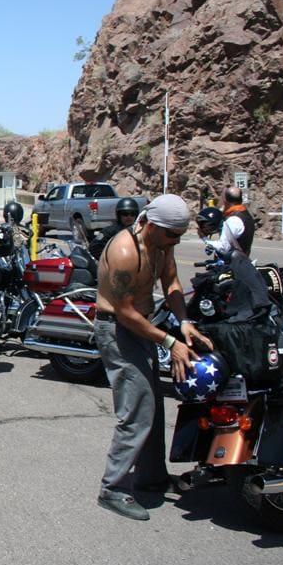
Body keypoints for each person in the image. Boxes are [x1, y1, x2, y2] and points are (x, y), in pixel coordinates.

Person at [93, 193, 213, 521]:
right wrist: (170, 342)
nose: (176, 240)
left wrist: (184, 321)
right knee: (136, 410)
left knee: (154, 406)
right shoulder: (124, 251)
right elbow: (125, 312)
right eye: (172, 234)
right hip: (117, 330)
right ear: (152, 225)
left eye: (179, 235)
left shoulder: (163, 244)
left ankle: (151, 477)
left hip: (144, 326)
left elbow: (171, 281)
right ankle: (112, 489)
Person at [204, 186, 255, 257]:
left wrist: (204, 238)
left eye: (222, 197)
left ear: (225, 201)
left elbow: (223, 248)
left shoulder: (234, 219)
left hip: (232, 264)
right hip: (242, 260)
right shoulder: (245, 214)